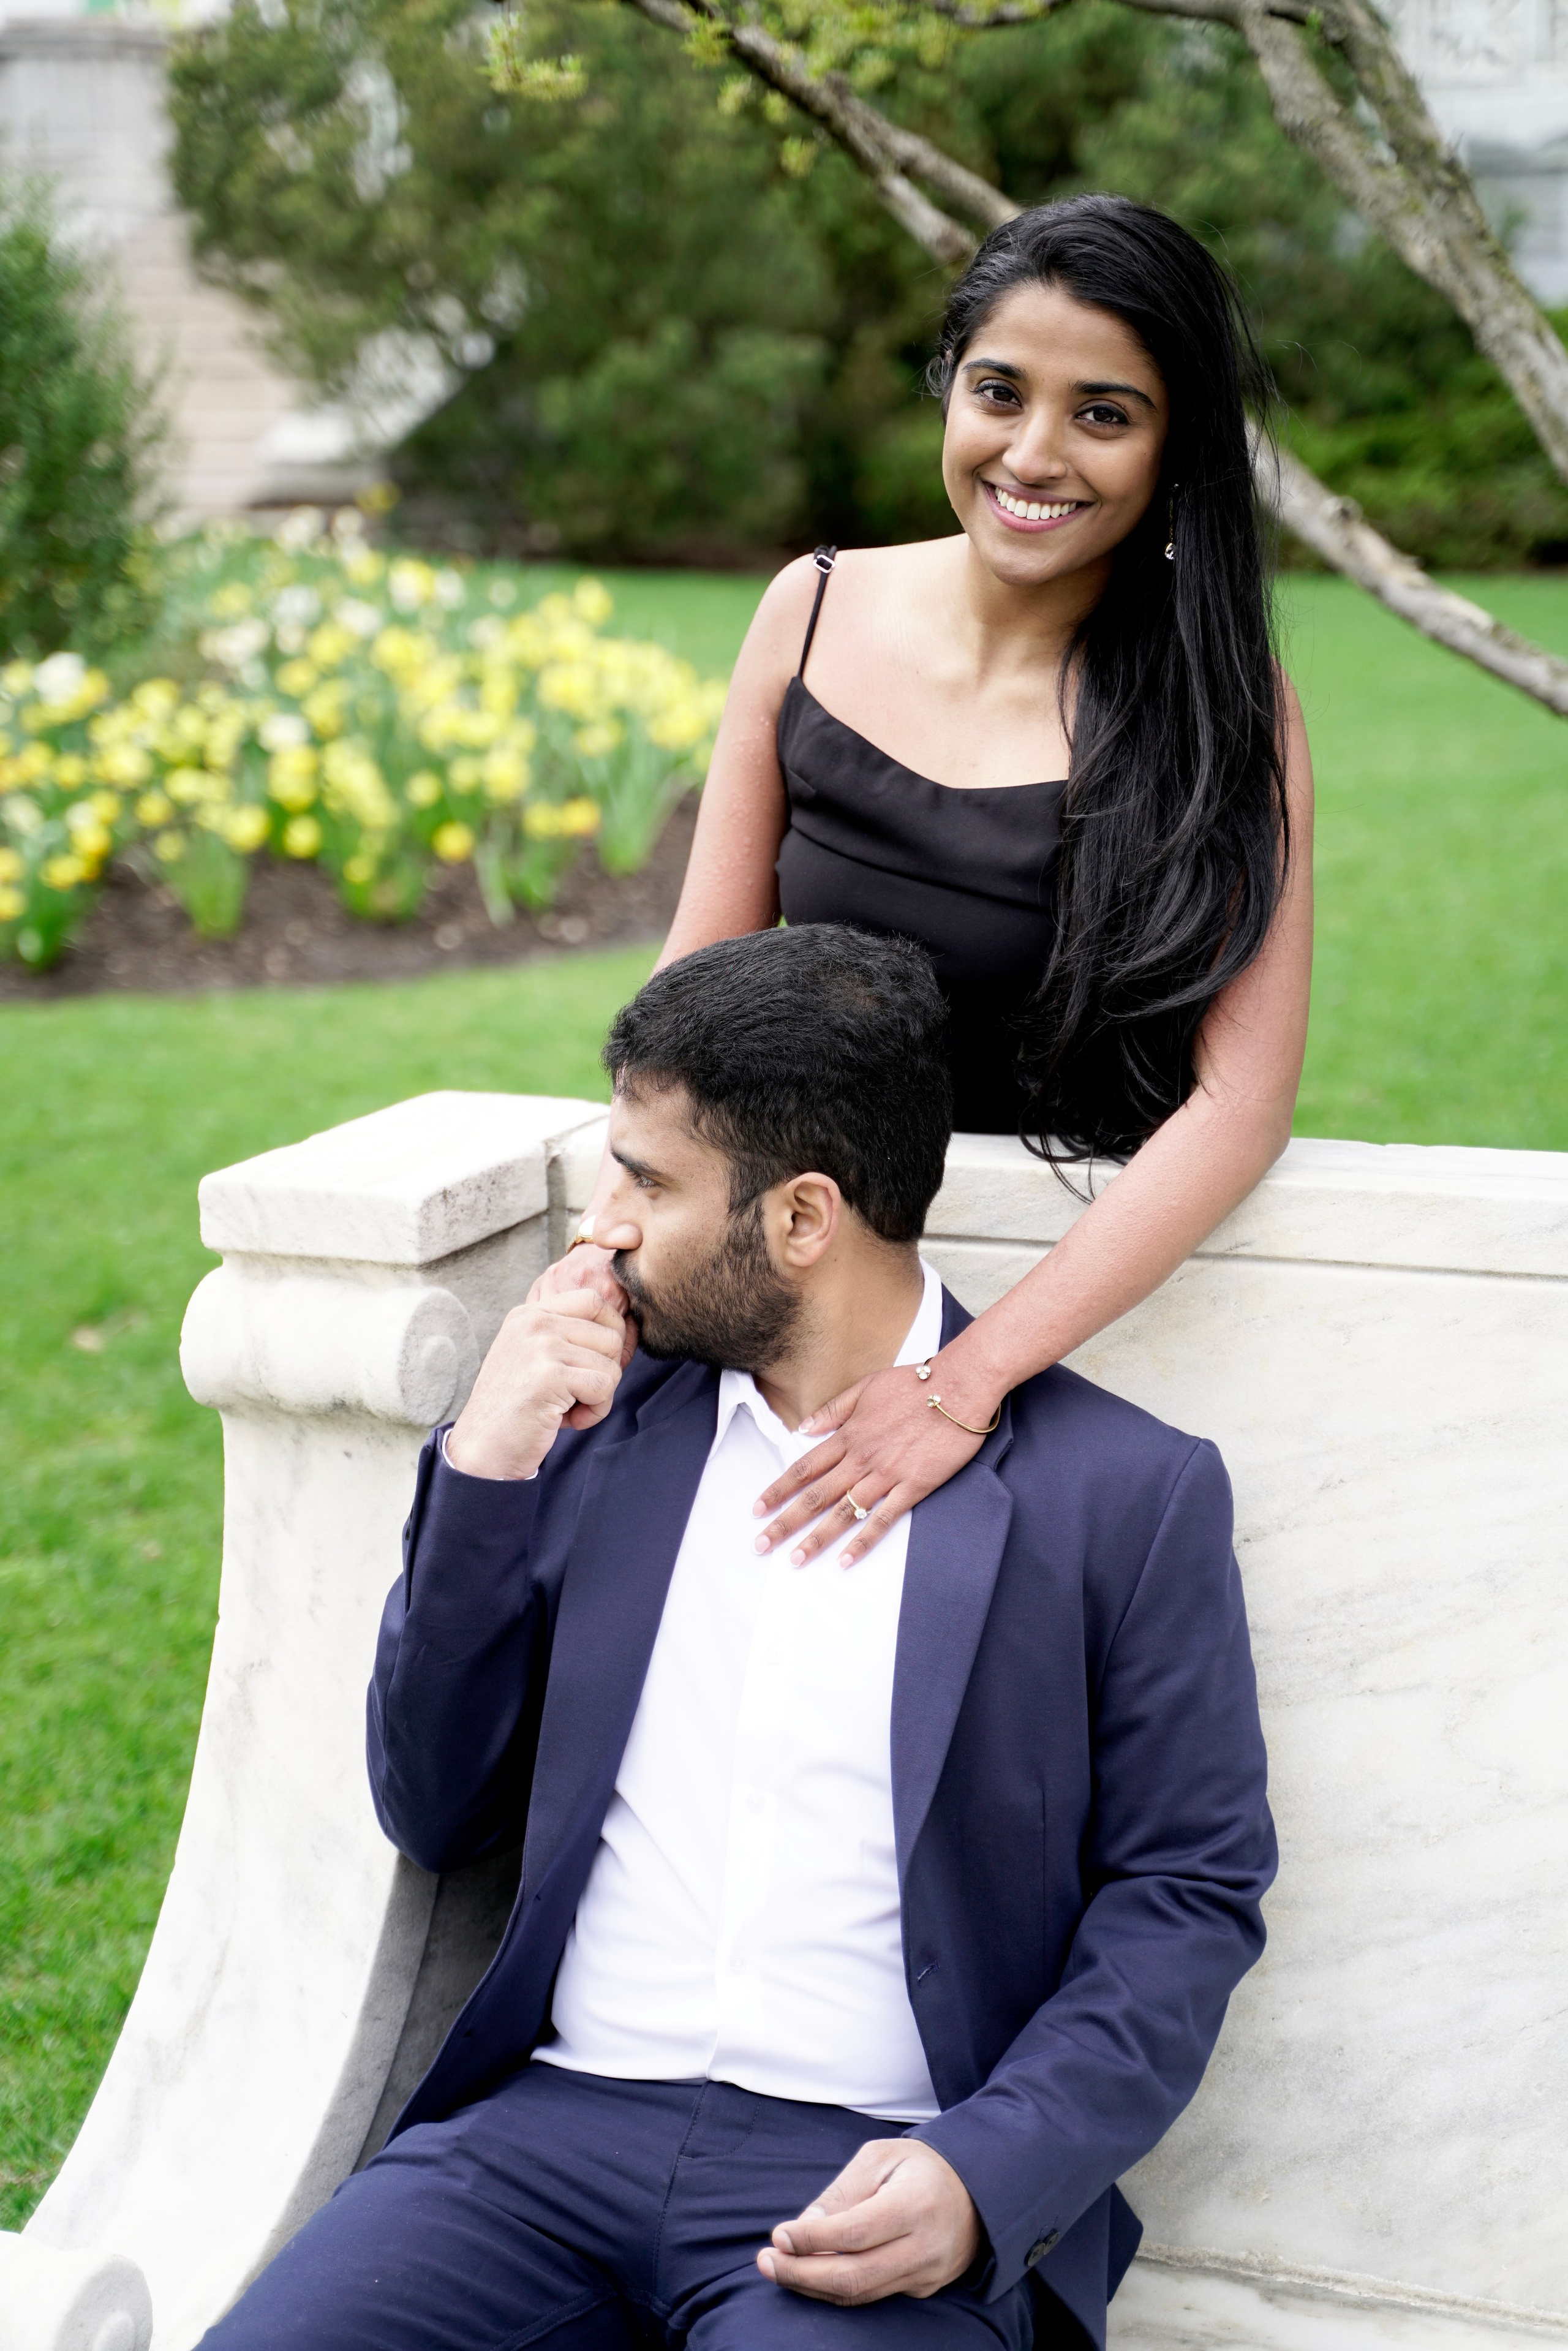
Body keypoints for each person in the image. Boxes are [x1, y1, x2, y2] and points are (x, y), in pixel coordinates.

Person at [198, 924, 1275, 2351]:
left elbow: (1185, 1891)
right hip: (538, 2147)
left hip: (873, 2167)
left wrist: (981, 2170)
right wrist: (486, 1464)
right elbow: (435, 1804)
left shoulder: (1119, 1495)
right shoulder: (586, 1430)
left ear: (801, 1216)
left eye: (646, 1181)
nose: (602, 1226)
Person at [549, 192, 1313, 1574]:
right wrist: (622, 1208)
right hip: (784, 1270)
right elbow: (692, 989)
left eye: (1102, 412)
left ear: (1170, 448)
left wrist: (962, 1379)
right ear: (946, 388)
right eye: (997, 392)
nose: (1032, 453)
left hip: (1061, 1309)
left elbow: (1240, 1101)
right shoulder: (813, 606)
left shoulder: (1223, 707)